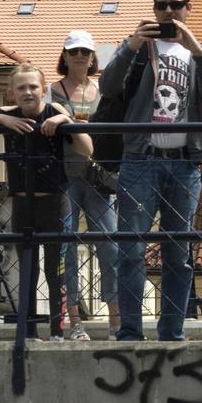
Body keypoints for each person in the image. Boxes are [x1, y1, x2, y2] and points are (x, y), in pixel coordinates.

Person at [102, 0, 202, 342]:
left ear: (188, 8)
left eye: (175, 5)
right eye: (161, 6)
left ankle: (172, 331)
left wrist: (197, 49)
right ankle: (129, 332)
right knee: (131, 251)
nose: (168, 12)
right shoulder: (139, 50)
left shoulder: (201, 53)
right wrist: (130, 45)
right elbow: (108, 87)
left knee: (178, 254)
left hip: (185, 163)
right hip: (140, 160)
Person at [0, 64, 92, 341]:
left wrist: (66, 121)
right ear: (12, 92)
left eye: (33, 87)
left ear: (43, 89)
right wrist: (3, 121)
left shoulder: (55, 112)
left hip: (55, 203)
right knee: (28, 270)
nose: (28, 92)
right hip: (22, 204)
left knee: (57, 272)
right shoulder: (10, 114)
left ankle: (57, 332)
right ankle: (28, 332)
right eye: (21, 88)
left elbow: (87, 149)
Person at [48, 29, 115, 340]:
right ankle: (74, 320)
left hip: (98, 176)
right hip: (65, 176)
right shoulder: (53, 90)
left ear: (92, 58)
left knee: (111, 242)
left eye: (85, 52)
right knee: (67, 248)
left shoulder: (103, 90)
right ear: (64, 56)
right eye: (73, 51)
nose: (79, 56)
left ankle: (117, 317)